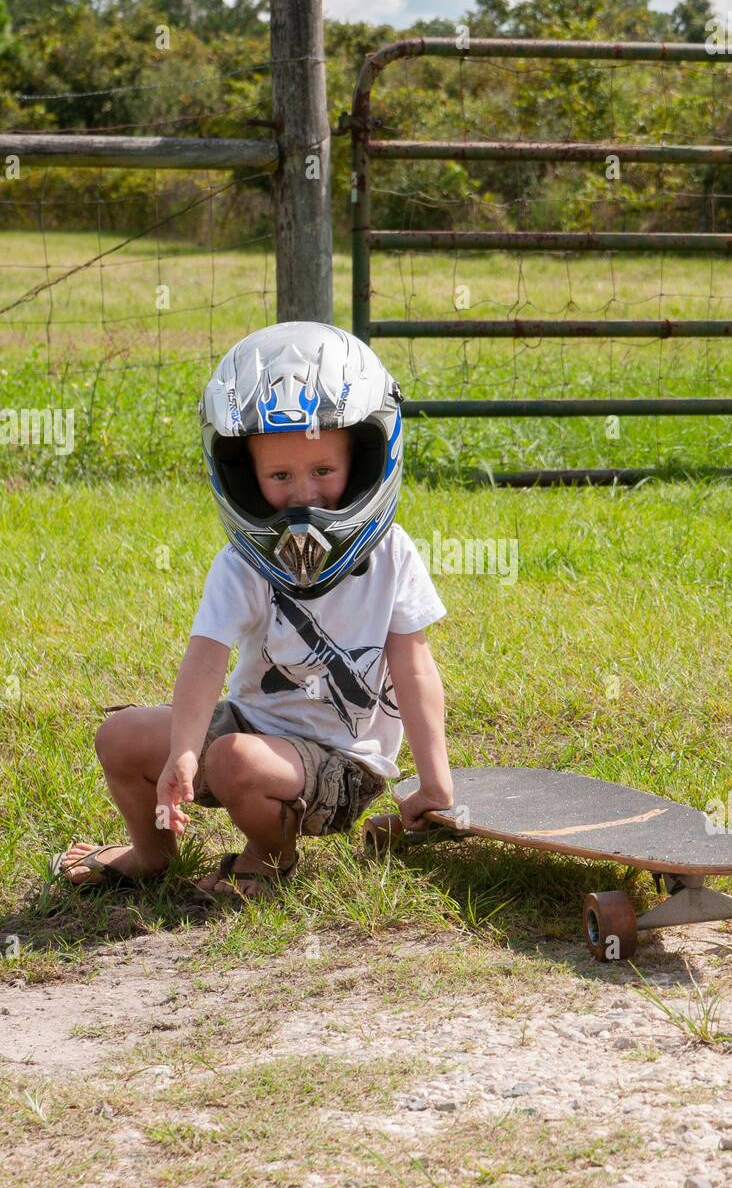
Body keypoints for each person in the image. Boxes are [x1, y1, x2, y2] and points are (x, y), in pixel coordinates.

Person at [54, 322, 453, 899]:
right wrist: (185, 753)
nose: (303, 494)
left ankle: (271, 857)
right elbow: (205, 658)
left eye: (323, 471)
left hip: (344, 765)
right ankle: (152, 853)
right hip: (249, 732)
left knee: (236, 758)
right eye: (279, 475)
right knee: (119, 736)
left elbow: (415, 671)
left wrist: (435, 782)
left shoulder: (393, 555)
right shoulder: (242, 563)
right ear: (245, 474)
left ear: (365, 459)